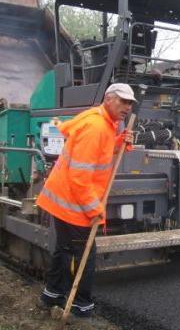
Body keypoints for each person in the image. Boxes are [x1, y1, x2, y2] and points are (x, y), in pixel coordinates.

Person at [36, 83, 136, 317]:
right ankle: (81, 306)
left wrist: (120, 141)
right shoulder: (96, 127)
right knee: (85, 254)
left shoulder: (104, 123)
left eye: (130, 103)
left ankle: (52, 295)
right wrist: (94, 209)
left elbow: (100, 151)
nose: (127, 107)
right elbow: (80, 177)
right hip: (73, 201)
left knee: (64, 249)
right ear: (109, 99)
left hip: (64, 198)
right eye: (123, 101)